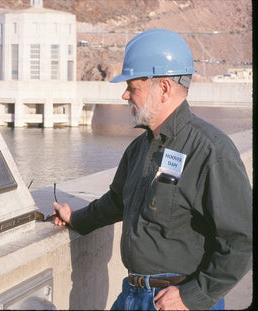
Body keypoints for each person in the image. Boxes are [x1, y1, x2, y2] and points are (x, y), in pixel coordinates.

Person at [52, 29, 252, 310]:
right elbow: (115, 202)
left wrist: (192, 295)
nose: (125, 95)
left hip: (177, 300)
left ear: (164, 88)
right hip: (131, 296)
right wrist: (76, 218)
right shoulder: (139, 149)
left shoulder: (210, 151)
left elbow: (241, 240)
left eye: (133, 87)